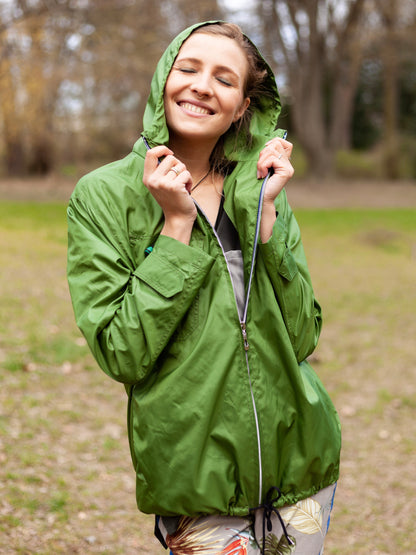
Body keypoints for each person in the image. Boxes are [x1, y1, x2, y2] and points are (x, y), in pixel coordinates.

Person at [67, 21, 341, 555]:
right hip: (194, 477)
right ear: (162, 81)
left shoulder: (262, 188)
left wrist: (266, 227)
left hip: (302, 464)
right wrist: (174, 228)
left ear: (242, 106)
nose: (201, 86)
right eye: (188, 68)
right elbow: (122, 351)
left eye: (223, 78)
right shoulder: (102, 195)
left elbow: (303, 336)